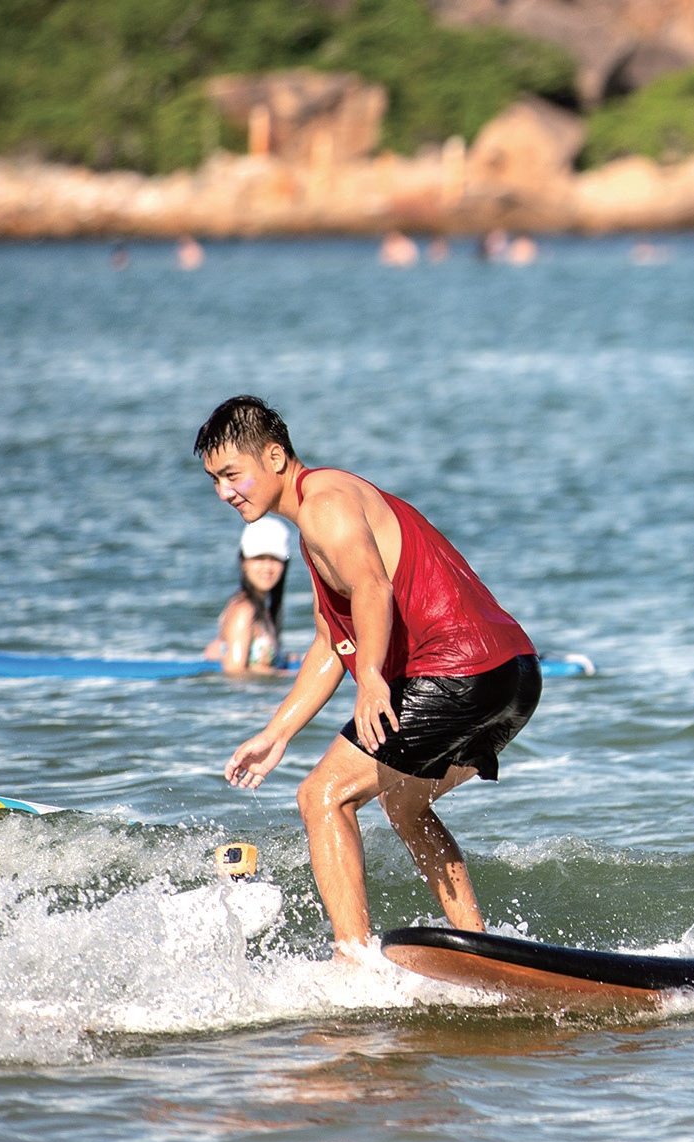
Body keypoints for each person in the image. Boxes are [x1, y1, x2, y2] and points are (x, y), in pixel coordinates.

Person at [200, 396, 542, 961]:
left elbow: (374, 589)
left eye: (233, 474)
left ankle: (351, 961)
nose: (224, 491)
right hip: (512, 676)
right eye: (214, 480)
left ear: (276, 457)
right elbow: (330, 643)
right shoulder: (319, 519)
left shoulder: (324, 506)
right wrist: (277, 732)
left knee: (322, 796)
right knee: (404, 805)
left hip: (458, 670)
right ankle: (481, 951)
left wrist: (374, 682)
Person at [203, 513, 298, 674]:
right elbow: (234, 672)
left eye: (274, 559)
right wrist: (284, 676)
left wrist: (283, 660)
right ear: (243, 561)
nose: (267, 567)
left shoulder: (263, 608)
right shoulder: (244, 610)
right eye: (259, 558)